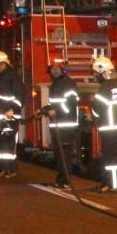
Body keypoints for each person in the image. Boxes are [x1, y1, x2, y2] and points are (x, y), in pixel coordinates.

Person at [89, 56, 117, 193]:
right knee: (112, 156)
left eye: (96, 74)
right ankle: (109, 183)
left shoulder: (105, 87)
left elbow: (97, 108)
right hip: (116, 126)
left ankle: (113, 185)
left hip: (108, 127)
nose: (95, 77)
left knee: (110, 158)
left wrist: (93, 116)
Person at [0, 51, 24, 178]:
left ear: (6, 63)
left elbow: (19, 96)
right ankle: (0, 168)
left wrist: (13, 110)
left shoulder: (13, 77)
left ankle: (9, 169)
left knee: (8, 144)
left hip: (9, 116)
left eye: (0, 64)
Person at [44, 58, 80, 189]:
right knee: (59, 155)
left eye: (57, 68)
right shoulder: (55, 84)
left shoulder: (68, 83)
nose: (54, 71)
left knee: (64, 154)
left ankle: (65, 180)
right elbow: (55, 103)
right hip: (58, 125)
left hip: (66, 125)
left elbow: (71, 103)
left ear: (62, 69)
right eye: (52, 68)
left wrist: (56, 111)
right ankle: (61, 179)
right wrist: (45, 109)